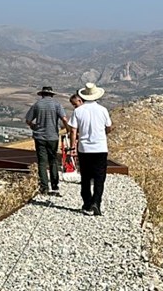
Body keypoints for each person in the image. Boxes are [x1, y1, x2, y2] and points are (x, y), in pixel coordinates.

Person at [68, 82, 112, 216]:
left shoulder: (78, 111)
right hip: (100, 148)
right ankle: (96, 203)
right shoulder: (103, 110)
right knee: (99, 177)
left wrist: (72, 147)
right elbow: (109, 127)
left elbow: (73, 131)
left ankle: (87, 202)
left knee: (85, 177)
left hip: (84, 148)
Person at [24, 85, 67, 196]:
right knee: (53, 160)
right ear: (52, 94)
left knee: (42, 162)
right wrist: (67, 129)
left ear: (42, 94)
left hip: (40, 137)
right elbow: (64, 119)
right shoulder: (57, 105)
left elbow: (28, 120)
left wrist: (33, 126)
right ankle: (54, 185)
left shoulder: (37, 105)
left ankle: (44, 187)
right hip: (53, 136)